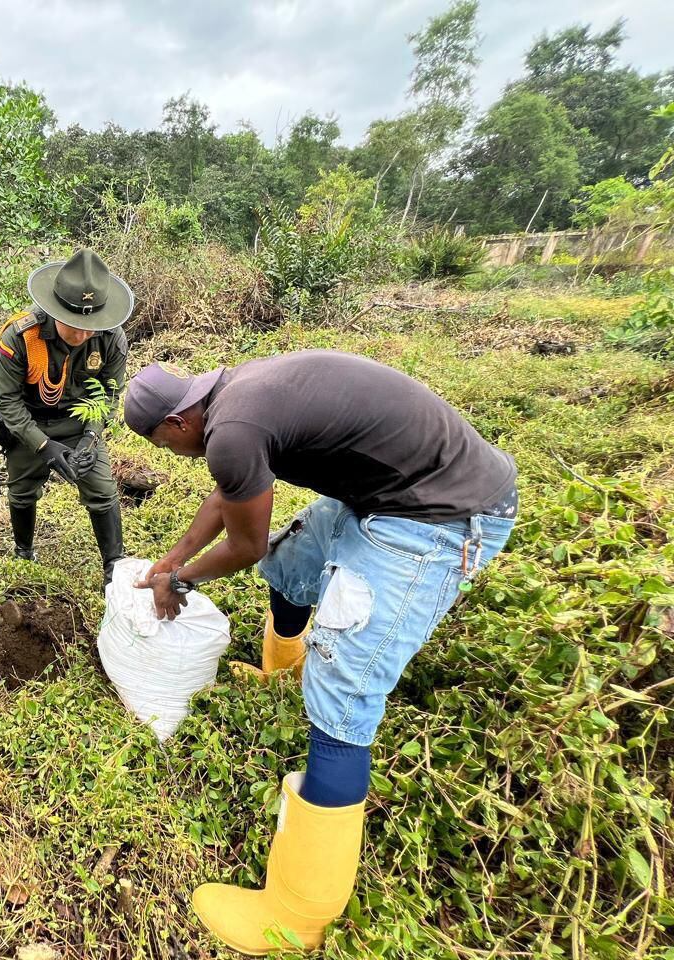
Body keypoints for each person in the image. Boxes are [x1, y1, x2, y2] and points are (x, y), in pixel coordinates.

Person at [123, 352, 518, 954]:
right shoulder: (236, 396)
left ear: (179, 423)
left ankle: (296, 916)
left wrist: (181, 584)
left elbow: (245, 544)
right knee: (293, 560)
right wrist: (173, 559)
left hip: (441, 516)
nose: (173, 454)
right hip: (386, 495)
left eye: (163, 444)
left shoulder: (232, 431)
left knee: (342, 698)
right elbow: (230, 498)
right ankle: (283, 669)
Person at [0, 249, 132, 583]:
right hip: (29, 425)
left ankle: (114, 567)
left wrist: (91, 438)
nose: (82, 336)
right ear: (54, 309)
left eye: (89, 327)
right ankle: (24, 553)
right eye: (73, 326)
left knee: (103, 491)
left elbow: (108, 394)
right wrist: (43, 446)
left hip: (81, 424)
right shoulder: (20, 337)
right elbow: (8, 401)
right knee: (21, 491)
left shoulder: (111, 337)